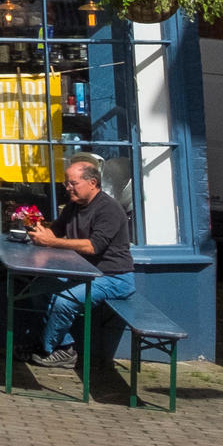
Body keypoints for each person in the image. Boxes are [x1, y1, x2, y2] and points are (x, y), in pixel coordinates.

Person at [27, 157, 137, 370]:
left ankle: (45, 348)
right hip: (82, 272)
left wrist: (52, 242)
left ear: (93, 183)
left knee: (64, 301)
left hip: (112, 277)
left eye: (73, 183)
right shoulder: (74, 206)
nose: (68, 188)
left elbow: (93, 247)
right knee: (37, 290)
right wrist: (39, 232)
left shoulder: (109, 209)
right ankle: (65, 347)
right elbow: (55, 231)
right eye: (66, 183)